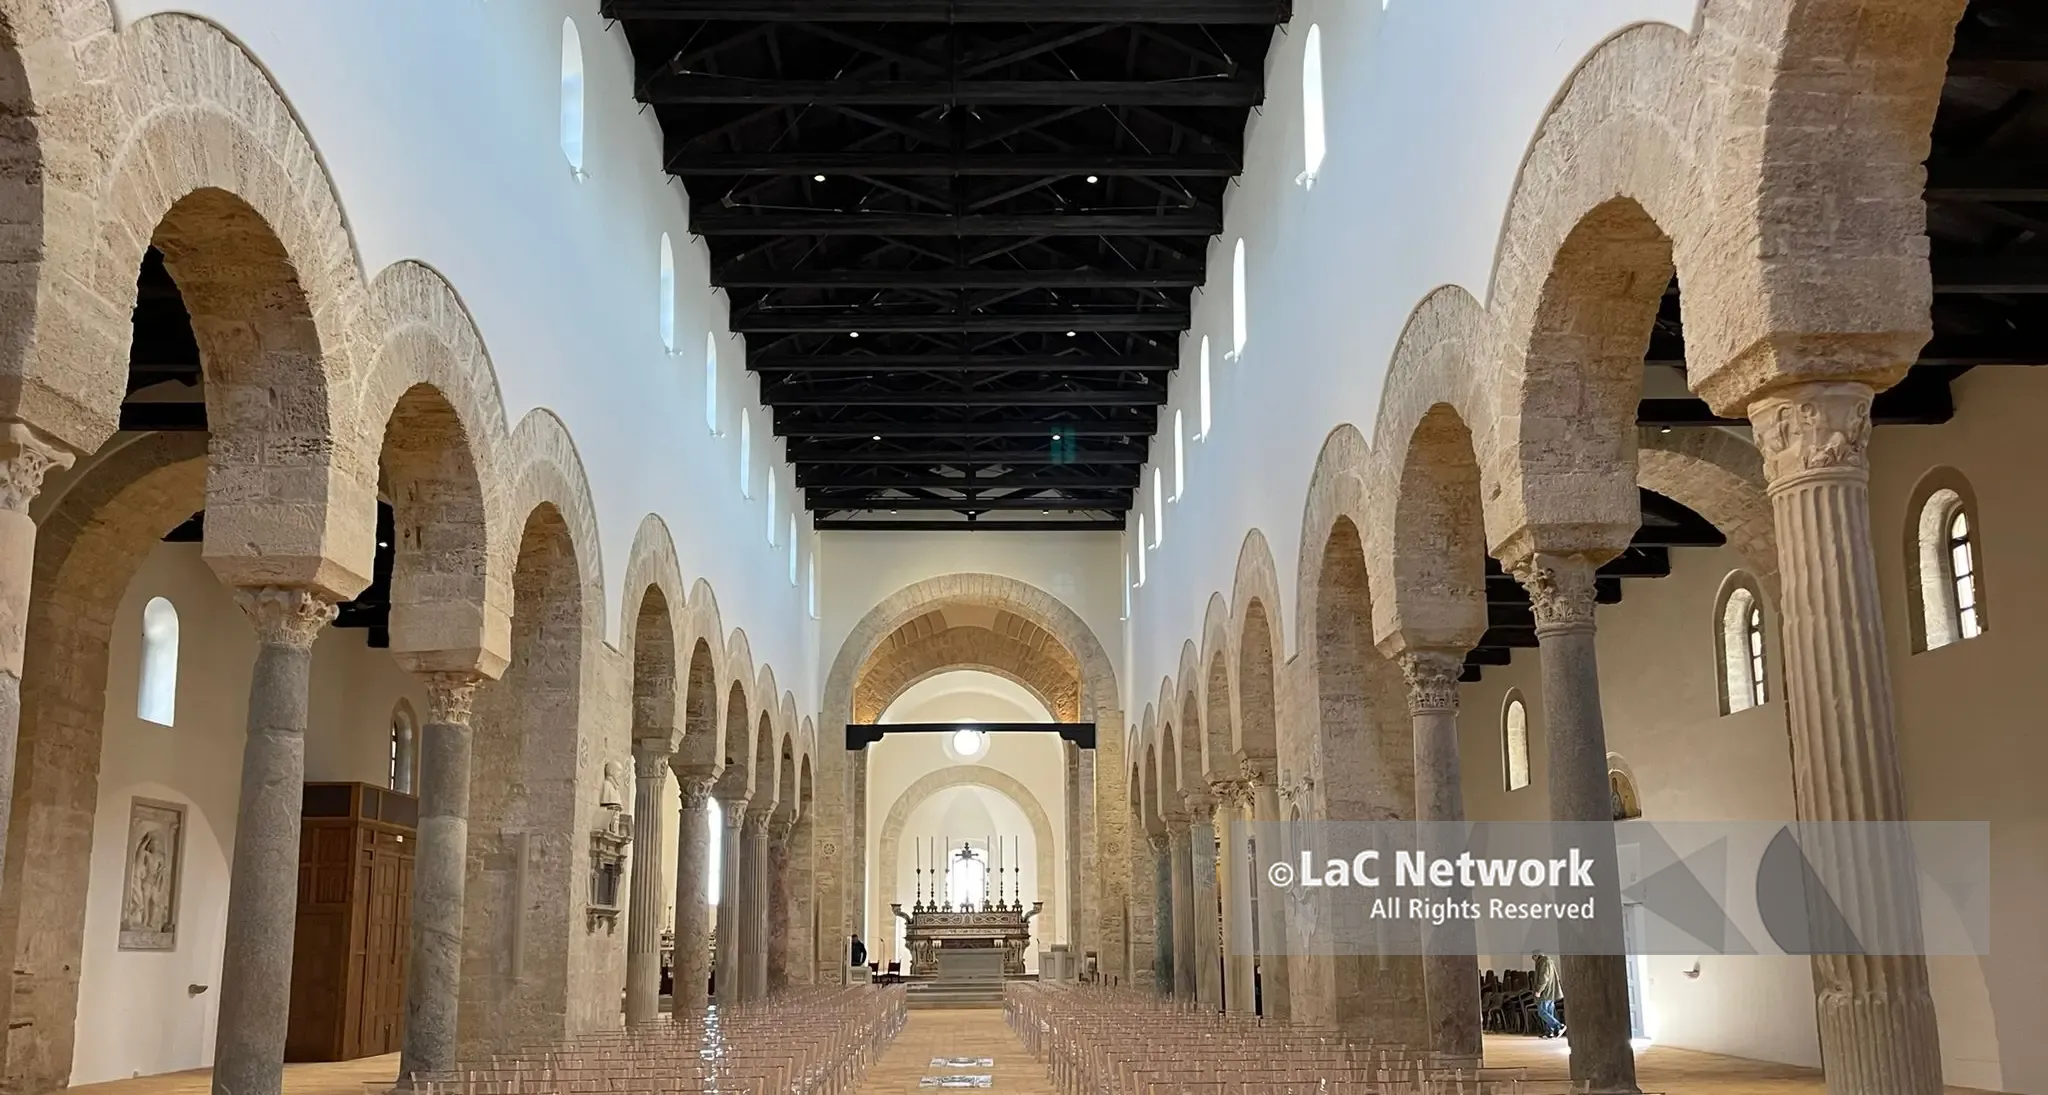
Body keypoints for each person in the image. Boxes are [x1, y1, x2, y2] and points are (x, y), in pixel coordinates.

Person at [1531, 949, 1564, 1038]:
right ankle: (1550, 1032)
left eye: (1533, 957)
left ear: (1537, 956)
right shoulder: (1548, 961)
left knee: (1542, 1012)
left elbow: (1544, 978)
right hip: (1551, 991)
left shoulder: (1544, 962)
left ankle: (1559, 1026)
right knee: (1549, 1011)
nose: (1532, 959)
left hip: (1546, 992)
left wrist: (1539, 990)